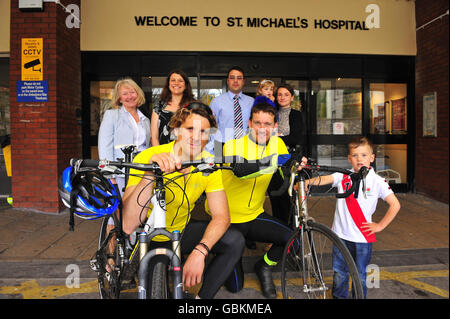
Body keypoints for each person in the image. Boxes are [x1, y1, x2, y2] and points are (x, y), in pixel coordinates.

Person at [122, 102, 245, 299]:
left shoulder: (207, 163)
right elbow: (128, 225)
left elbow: (222, 217)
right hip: (151, 237)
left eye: (204, 131)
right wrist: (149, 173)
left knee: (235, 240)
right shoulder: (147, 156)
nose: (197, 137)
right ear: (176, 129)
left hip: (182, 232)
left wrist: (200, 251)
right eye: (190, 129)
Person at [209, 102, 306, 299]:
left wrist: (296, 165)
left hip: (254, 215)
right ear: (249, 123)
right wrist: (279, 160)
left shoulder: (277, 144)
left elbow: (285, 170)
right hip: (227, 219)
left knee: (293, 240)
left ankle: (263, 266)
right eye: (258, 123)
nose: (262, 128)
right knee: (235, 287)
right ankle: (219, 249)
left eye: (267, 124)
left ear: (275, 126)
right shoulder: (230, 146)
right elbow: (242, 172)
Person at [305, 136, 401, 298]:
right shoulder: (343, 176)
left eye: (364, 155)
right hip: (340, 236)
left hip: (363, 239)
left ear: (371, 157)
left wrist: (380, 226)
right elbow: (325, 179)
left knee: (360, 275)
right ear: (349, 158)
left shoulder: (377, 181)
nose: (359, 159)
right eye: (355, 155)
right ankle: (339, 296)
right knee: (339, 272)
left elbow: (395, 205)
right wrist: (307, 182)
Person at [98, 77, 151, 194]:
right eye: (125, 94)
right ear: (119, 98)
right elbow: (105, 146)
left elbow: (148, 147)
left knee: (140, 206)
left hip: (142, 171)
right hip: (120, 173)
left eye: (132, 92)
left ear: (138, 94)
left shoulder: (145, 119)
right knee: (122, 208)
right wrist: (110, 175)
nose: (130, 96)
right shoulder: (111, 115)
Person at [267, 83, 308, 224]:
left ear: (292, 97)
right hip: (272, 159)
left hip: (289, 160)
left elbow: (296, 138)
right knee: (274, 198)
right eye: (279, 94)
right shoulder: (271, 114)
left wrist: (276, 138)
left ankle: (291, 237)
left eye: (286, 94)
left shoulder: (297, 115)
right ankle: (278, 238)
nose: (282, 97)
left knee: (288, 200)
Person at [207, 66, 254, 155]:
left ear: (243, 81)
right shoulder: (216, 102)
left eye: (239, 78)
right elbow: (211, 128)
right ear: (228, 81)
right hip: (222, 147)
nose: (235, 81)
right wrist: (213, 151)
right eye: (232, 78)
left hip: (246, 147)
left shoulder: (252, 102)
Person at [151, 70, 195, 146]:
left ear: (185, 85)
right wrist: (160, 155)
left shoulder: (194, 106)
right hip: (164, 154)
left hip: (188, 153)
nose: (176, 83)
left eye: (180, 81)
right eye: (173, 80)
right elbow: (154, 137)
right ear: (168, 84)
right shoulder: (159, 107)